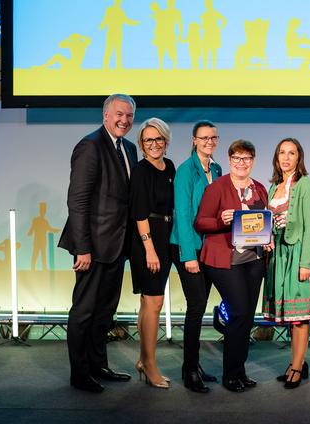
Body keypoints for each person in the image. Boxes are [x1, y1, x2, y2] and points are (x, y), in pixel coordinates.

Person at [58, 94, 138, 393]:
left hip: (117, 247)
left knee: (105, 312)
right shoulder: (90, 146)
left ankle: (98, 365)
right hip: (92, 247)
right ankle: (80, 374)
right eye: (119, 114)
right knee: (84, 312)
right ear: (105, 115)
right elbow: (77, 201)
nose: (124, 120)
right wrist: (83, 248)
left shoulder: (129, 148)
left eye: (129, 116)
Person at [194, 140, 269, 393]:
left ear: (253, 161)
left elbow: (262, 222)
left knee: (247, 317)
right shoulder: (217, 187)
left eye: (246, 158)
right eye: (237, 158)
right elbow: (200, 223)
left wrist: (268, 238)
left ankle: (240, 371)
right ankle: (230, 374)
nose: (241, 163)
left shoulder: (259, 189)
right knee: (238, 313)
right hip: (224, 260)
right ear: (229, 160)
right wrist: (220, 220)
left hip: (254, 260)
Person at [262, 138, 310, 389]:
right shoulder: (274, 187)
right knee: (289, 314)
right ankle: (297, 363)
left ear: (299, 157)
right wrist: (265, 239)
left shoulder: (307, 185)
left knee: (300, 316)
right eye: (282, 153)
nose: (286, 158)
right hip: (278, 255)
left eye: (291, 153)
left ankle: (297, 366)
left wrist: (306, 263)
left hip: (297, 253)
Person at [170, 120, 222, 393]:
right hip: (187, 248)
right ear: (194, 140)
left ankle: (196, 365)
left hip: (209, 249)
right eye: (204, 137)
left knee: (200, 307)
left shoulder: (216, 168)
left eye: (213, 137)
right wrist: (189, 256)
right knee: (196, 305)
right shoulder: (184, 171)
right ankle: (189, 370)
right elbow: (182, 216)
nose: (209, 141)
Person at [128, 118, 175, 390]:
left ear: (166, 142)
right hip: (148, 241)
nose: (154, 144)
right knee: (154, 302)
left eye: (158, 139)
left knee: (149, 303)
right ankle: (150, 364)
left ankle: (143, 359)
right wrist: (150, 250)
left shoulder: (169, 166)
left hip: (165, 236)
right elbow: (139, 213)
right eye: (148, 140)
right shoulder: (140, 170)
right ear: (141, 144)